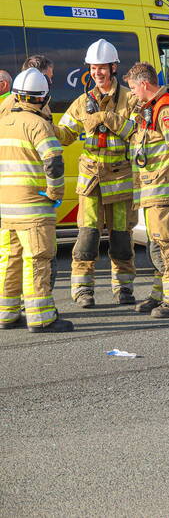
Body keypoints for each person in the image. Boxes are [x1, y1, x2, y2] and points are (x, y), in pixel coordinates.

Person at [53, 39, 139, 308]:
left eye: (102, 68)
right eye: (93, 68)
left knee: (122, 239)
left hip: (121, 180)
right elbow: (65, 135)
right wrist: (45, 124)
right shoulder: (81, 102)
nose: (97, 73)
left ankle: (123, 289)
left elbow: (138, 135)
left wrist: (109, 119)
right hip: (91, 181)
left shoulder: (130, 99)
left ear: (114, 68)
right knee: (87, 238)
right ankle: (82, 291)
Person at [0, 68, 72, 333]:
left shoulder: (3, 121)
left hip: (6, 210)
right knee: (37, 261)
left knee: (9, 260)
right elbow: (54, 163)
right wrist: (55, 194)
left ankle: (6, 314)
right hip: (33, 209)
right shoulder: (38, 124)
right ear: (42, 97)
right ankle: (42, 318)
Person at [123, 63, 169, 318]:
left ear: (144, 84)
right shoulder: (149, 109)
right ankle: (159, 295)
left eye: (133, 88)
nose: (131, 94)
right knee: (156, 246)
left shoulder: (166, 108)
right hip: (152, 191)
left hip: (163, 189)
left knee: (165, 245)